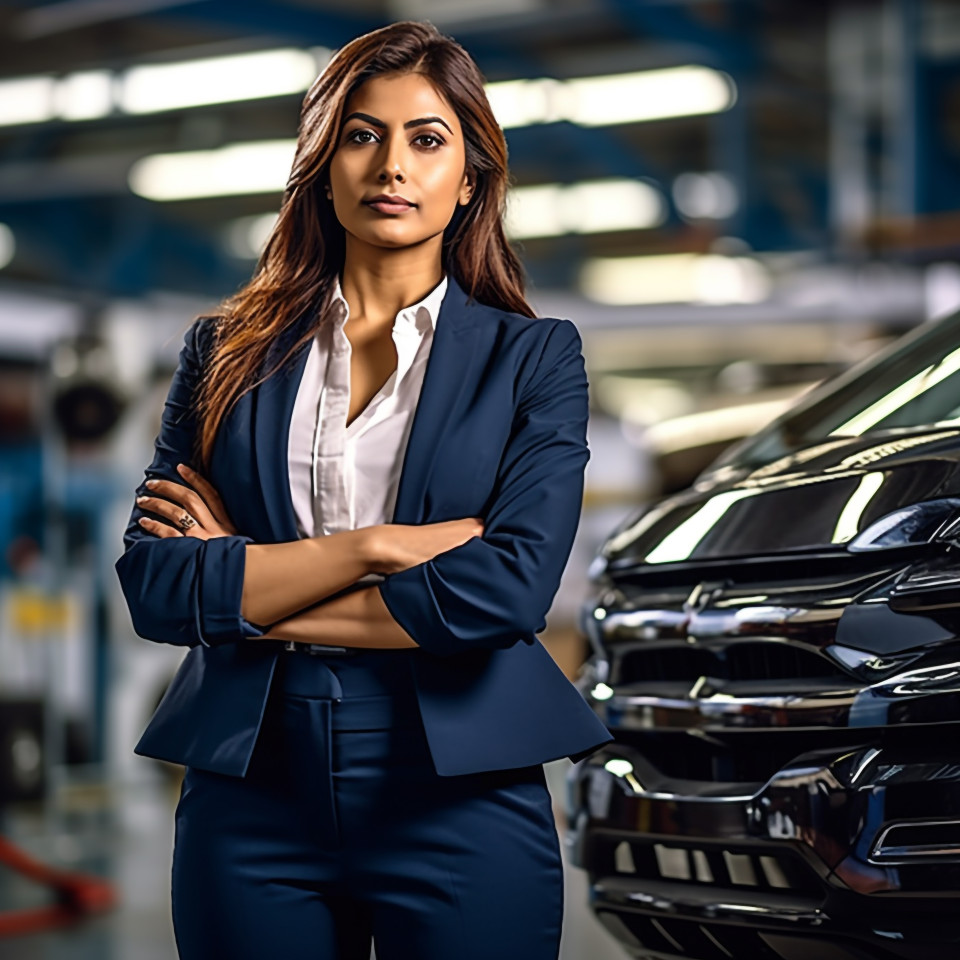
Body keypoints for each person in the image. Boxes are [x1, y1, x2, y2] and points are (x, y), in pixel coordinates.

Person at [114, 19, 613, 960]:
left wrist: (252, 584)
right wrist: (376, 550)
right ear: (324, 162)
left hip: (459, 786)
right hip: (251, 790)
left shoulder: (535, 359)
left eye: (427, 139)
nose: (392, 164)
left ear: (469, 180)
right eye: (361, 133)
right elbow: (158, 588)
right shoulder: (224, 354)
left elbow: (506, 593)